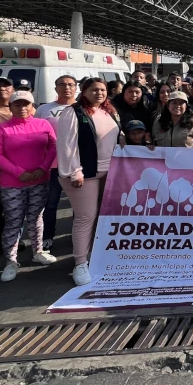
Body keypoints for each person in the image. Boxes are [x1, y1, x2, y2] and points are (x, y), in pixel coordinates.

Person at [57, 77, 123, 287]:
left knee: (104, 216)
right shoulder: (72, 112)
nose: (99, 93)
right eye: (94, 90)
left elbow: (112, 135)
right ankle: (80, 263)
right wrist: (75, 171)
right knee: (86, 217)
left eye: (102, 90)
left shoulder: (109, 111)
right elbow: (67, 145)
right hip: (85, 174)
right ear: (84, 91)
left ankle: (96, 254)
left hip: (109, 171)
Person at [0, 91, 58, 282]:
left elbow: (53, 147)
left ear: (32, 106)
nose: (22, 108)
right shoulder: (1, 129)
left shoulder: (43, 124)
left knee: (36, 218)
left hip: (39, 180)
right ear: (10, 107)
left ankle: (38, 252)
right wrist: (20, 172)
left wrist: (43, 168)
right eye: (17, 104)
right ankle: (11, 261)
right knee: (13, 221)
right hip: (11, 184)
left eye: (26, 104)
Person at [35, 74, 77, 252]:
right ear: (55, 88)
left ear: (76, 88)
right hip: (51, 165)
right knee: (50, 204)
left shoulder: (81, 108)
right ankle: (47, 237)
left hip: (76, 164)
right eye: (62, 84)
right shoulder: (44, 109)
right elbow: (35, 133)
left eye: (70, 85)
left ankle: (77, 237)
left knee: (78, 205)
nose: (66, 88)